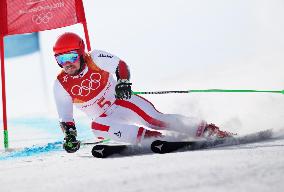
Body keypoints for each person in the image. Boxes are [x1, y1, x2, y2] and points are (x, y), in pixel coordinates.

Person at [53, 32, 235, 153]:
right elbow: (65, 117)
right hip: (106, 120)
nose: (67, 63)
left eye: (71, 56)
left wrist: (123, 82)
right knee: (96, 127)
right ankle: (155, 139)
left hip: (120, 102)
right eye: (60, 59)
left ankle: (208, 130)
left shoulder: (95, 58)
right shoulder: (61, 84)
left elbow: (120, 65)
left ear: (81, 52)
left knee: (155, 120)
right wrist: (70, 137)